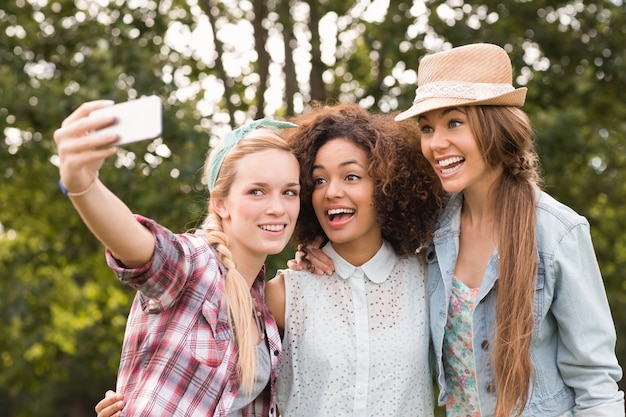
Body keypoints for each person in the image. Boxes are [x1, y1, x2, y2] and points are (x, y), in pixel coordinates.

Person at [300, 43, 625, 417]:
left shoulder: (558, 233)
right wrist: (314, 247)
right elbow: (365, 255)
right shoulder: (427, 229)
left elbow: (596, 387)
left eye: (454, 122)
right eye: (426, 128)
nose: (436, 144)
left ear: (496, 126)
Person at [53, 101, 300, 417]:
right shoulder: (196, 265)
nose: (278, 208)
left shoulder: (262, 309)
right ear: (221, 204)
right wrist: (83, 186)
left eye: (289, 192)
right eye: (257, 192)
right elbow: (138, 245)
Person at [265, 102, 443, 416]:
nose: (331, 192)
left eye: (351, 176)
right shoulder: (285, 294)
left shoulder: (428, 278)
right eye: (319, 181)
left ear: (386, 186)